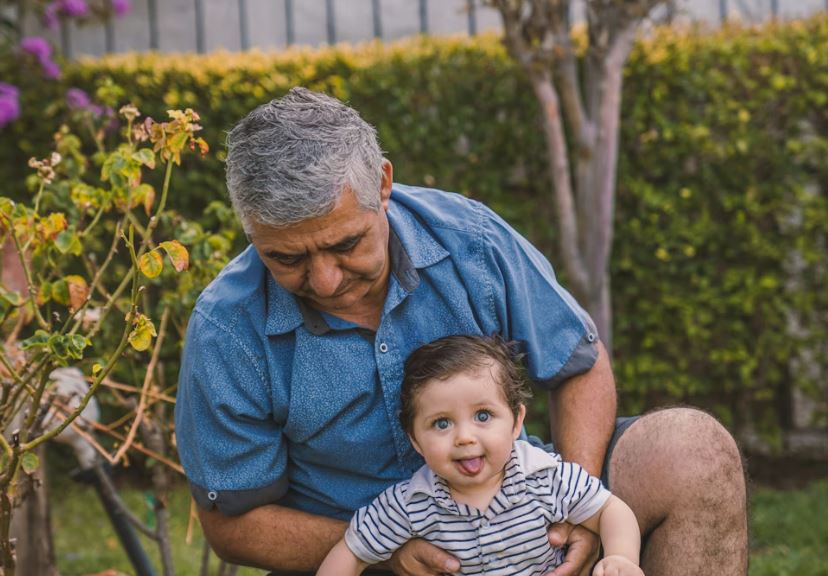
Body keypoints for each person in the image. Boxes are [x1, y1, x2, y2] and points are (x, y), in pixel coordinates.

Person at [175, 87, 748, 576]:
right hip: (362, 551)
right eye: (286, 258)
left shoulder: (470, 240)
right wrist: (386, 550)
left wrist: (576, 509)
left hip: (526, 516)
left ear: (382, 185)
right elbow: (232, 522)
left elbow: (578, 364)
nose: (325, 280)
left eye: (346, 244)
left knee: (691, 451)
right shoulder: (226, 329)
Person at [317, 335, 644, 576]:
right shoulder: (411, 503)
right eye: (441, 423)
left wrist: (622, 558)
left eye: (483, 416)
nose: (464, 437)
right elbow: (352, 551)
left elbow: (610, 510)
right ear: (415, 439)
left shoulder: (545, 477)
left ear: (516, 421)